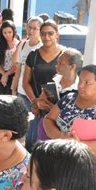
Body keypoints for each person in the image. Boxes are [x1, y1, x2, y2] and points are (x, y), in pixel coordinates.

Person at [43, 64, 96, 180]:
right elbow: (48, 119)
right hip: (61, 160)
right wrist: (60, 136)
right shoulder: (69, 98)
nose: (80, 86)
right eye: (80, 81)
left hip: (88, 170)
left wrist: (76, 144)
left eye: (87, 83)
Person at [22, 19, 64, 151]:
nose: (46, 37)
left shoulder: (65, 56)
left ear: (57, 35)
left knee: (56, 147)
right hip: (39, 108)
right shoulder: (33, 56)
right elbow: (25, 82)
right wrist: (35, 102)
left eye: (50, 33)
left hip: (60, 109)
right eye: (43, 33)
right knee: (34, 145)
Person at [36, 47, 83, 141]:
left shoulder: (79, 90)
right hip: (44, 128)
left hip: (64, 136)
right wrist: (40, 103)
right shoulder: (54, 79)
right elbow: (41, 99)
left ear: (72, 67)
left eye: (61, 63)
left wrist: (54, 110)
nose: (56, 65)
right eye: (57, 62)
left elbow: (77, 117)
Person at [11, 16, 43, 98]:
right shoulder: (23, 44)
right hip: (21, 91)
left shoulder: (42, 47)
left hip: (35, 93)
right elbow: (18, 68)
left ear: (41, 31)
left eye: (35, 28)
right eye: (29, 27)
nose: (31, 31)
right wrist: (14, 89)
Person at [0, 20, 20, 95]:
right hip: (0, 73)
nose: (7, 35)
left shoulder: (18, 44)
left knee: (9, 98)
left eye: (9, 32)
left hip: (13, 75)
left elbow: (17, 64)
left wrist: (6, 74)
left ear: (13, 32)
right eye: (5, 33)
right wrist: (3, 74)